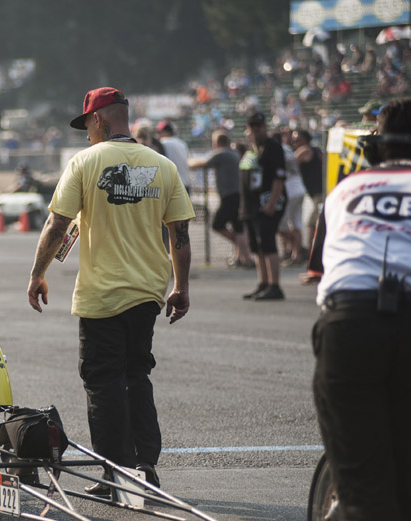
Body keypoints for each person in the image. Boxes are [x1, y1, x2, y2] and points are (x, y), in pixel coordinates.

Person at [26, 87, 193, 494]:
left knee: (103, 381)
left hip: (101, 294)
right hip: (148, 291)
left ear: (98, 119)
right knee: (137, 375)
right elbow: (180, 234)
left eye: (87, 125)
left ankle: (115, 471)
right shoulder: (162, 166)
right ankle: (145, 464)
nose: (86, 134)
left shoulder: (85, 162)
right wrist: (181, 287)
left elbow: (57, 224)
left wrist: (37, 274)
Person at [312, 97, 411, 521]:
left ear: (376, 149)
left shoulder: (346, 190)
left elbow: (321, 266)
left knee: (362, 485)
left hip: (351, 323)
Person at [238, 112, 287, 301]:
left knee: (267, 243)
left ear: (265, 127)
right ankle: (263, 283)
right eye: (252, 126)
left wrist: (272, 203)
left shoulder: (273, 147)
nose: (255, 129)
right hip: (250, 205)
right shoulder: (251, 148)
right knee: (256, 245)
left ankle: (275, 285)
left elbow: (279, 177)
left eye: (259, 126)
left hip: (266, 203)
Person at [189, 130, 251, 267]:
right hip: (236, 194)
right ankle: (243, 256)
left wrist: (187, 161)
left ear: (216, 142)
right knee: (237, 227)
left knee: (217, 224)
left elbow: (201, 164)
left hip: (230, 195)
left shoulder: (222, 153)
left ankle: (243, 249)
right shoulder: (233, 153)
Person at [276, 129, 308, 266]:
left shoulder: (277, 150)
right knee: (296, 223)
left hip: (289, 190)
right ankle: (296, 254)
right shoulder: (288, 149)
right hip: (299, 187)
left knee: (280, 225)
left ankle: (293, 250)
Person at [292, 128, 325, 251]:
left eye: (297, 140)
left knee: (312, 221)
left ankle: (312, 250)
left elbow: (290, 163)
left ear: (305, 140)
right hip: (318, 191)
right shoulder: (316, 150)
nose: (294, 143)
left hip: (318, 192)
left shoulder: (305, 150)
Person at [155, 120, 191, 192]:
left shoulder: (163, 142)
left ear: (166, 132)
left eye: (159, 132)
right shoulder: (182, 143)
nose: (157, 135)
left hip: (172, 186)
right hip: (185, 184)